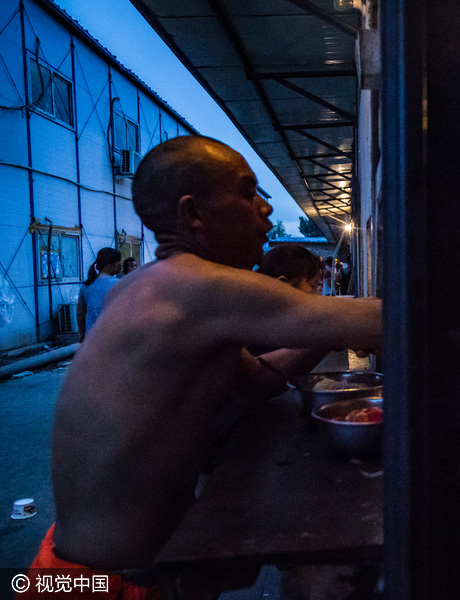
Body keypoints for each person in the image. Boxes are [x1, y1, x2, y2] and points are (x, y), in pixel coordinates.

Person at [20, 135, 382, 599]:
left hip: (69, 569)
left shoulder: (134, 289)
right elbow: (384, 319)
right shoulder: (195, 287)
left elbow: (254, 382)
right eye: (248, 192)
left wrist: (328, 330)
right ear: (192, 214)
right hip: (105, 585)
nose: (265, 210)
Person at [76, 247, 121, 341]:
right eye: (118, 261)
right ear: (109, 264)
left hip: (91, 338)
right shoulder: (118, 284)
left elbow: (80, 313)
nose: (120, 264)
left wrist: (82, 334)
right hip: (113, 338)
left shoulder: (86, 286)